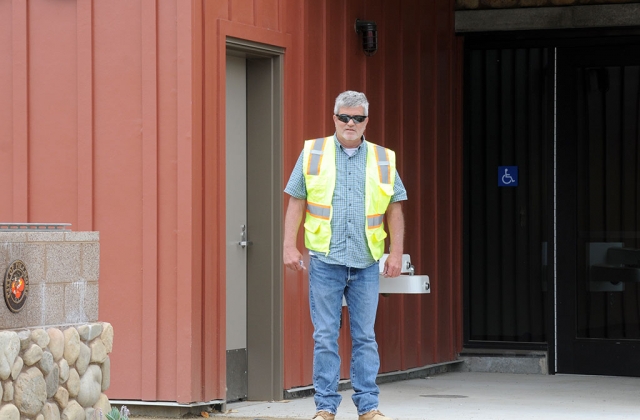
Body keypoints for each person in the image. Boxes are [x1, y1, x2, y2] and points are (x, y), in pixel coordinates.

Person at [283, 91, 407, 420]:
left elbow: (394, 209)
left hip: (366, 262)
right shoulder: (313, 152)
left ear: (367, 121)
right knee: (325, 336)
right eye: (344, 117)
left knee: (365, 336)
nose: (350, 123)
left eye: (358, 118)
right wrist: (288, 245)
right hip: (325, 260)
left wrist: (396, 252)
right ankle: (325, 407)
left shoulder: (383, 158)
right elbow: (296, 199)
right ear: (333, 117)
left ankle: (368, 408)